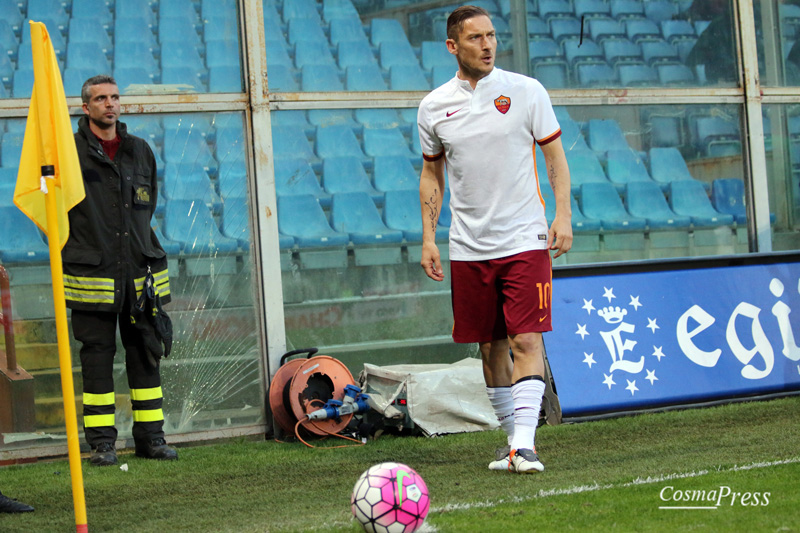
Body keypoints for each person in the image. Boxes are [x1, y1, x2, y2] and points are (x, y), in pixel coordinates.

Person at [417, 6, 572, 474]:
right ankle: (512, 443)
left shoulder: (526, 91)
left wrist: (563, 214)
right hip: (468, 247)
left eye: (492, 36)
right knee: (489, 348)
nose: (488, 45)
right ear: (453, 46)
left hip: (524, 238)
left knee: (526, 339)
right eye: (476, 38)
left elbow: (556, 157)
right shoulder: (433, 107)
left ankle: (525, 445)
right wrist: (428, 236)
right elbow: (431, 173)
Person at [65, 75, 177, 466]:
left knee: (146, 354)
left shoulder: (140, 150)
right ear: (86, 107)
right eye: (100, 99)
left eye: (114, 97)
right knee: (96, 360)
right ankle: (102, 445)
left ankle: (151, 438)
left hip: (140, 274)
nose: (109, 104)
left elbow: (149, 208)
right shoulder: (69, 153)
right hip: (91, 276)